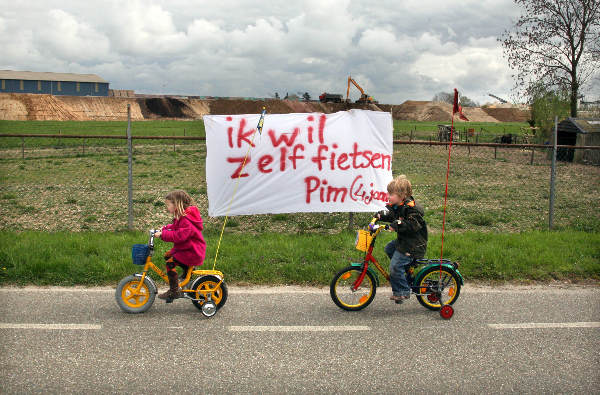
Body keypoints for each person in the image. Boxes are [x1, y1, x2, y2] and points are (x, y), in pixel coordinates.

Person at [374, 175, 428, 303]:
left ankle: (402, 291)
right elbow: (391, 214)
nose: (388, 197)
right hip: (405, 242)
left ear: (402, 195)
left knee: (395, 267)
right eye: (389, 194)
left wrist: (397, 224)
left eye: (391, 194)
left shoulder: (412, 209)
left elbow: (411, 225)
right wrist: (380, 215)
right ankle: (405, 270)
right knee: (389, 248)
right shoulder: (398, 206)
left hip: (414, 245)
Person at [154, 190, 206, 302]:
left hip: (192, 251)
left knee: (170, 262)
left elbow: (180, 235)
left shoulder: (186, 219)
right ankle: (187, 271)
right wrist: (164, 228)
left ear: (177, 204)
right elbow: (176, 226)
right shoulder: (183, 216)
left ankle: (174, 291)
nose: (167, 207)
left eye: (168, 204)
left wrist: (163, 234)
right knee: (168, 256)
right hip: (187, 248)